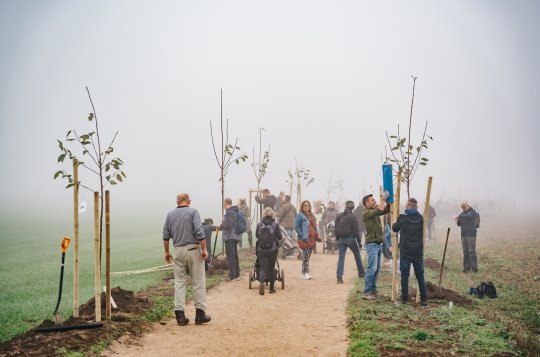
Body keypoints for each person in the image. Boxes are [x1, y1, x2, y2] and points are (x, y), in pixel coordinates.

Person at [162, 193, 211, 325]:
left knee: (179, 282)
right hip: (193, 250)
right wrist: (204, 249)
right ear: (189, 201)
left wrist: (167, 252)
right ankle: (200, 314)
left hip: (178, 250)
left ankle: (180, 316)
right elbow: (199, 231)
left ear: (177, 201)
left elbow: (166, 235)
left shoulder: (170, 214)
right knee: (198, 282)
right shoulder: (193, 212)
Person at [392, 198, 428, 307]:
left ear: (407, 205)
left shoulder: (403, 217)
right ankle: (424, 301)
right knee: (420, 276)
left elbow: (394, 228)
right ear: (416, 206)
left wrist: (396, 219)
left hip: (405, 250)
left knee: (405, 275)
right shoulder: (421, 218)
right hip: (417, 250)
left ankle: (404, 300)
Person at [361, 193, 391, 300]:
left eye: (375, 200)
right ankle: (367, 292)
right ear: (366, 203)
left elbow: (385, 210)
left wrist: (390, 201)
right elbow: (379, 210)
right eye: (372, 200)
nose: (375, 201)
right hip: (372, 244)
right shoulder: (366, 213)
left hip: (378, 243)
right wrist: (383, 199)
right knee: (371, 268)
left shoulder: (374, 212)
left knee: (377, 268)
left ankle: (373, 290)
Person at [335, 200, 366, 284]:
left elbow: (336, 228)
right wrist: (359, 242)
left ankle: (339, 277)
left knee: (341, 258)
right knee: (357, 255)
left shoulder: (339, 216)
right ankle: (361, 273)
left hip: (341, 239)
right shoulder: (353, 216)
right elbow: (356, 230)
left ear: (345, 206)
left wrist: (338, 239)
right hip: (351, 239)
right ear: (353, 207)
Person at [255, 207, 283, 295]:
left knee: (263, 268)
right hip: (272, 250)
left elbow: (257, 235)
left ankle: (262, 284)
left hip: (261, 250)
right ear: (272, 215)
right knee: (271, 269)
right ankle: (271, 289)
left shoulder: (259, 224)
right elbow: (280, 237)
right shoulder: (275, 224)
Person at [216, 198, 241, 281]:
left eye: (224, 204)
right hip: (235, 236)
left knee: (231, 257)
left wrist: (221, 225)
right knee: (234, 256)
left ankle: (232, 276)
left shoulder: (229, 212)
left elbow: (228, 225)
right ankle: (237, 274)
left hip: (230, 236)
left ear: (226, 204)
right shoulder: (235, 211)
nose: (223, 206)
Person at [295, 200, 320, 279]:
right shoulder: (300, 215)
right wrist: (301, 234)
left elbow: (315, 226)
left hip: (312, 239)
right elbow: (296, 227)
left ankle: (303, 273)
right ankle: (306, 273)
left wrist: (316, 234)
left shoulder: (312, 215)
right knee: (305, 256)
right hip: (304, 239)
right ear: (302, 206)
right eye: (305, 205)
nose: (306, 207)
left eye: (308, 205)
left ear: (309, 206)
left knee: (307, 256)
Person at [456, 202, 480, 273]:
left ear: (468, 206)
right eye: (462, 208)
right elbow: (459, 224)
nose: (463, 209)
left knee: (472, 252)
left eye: (464, 207)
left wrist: (460, 216)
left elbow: (469, 217)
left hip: (471, 235)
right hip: (463, 235)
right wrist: (458, 219)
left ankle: (474, 269)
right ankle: (466, 268)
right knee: (465, 252)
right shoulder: (462, 214)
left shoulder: (473, 212)